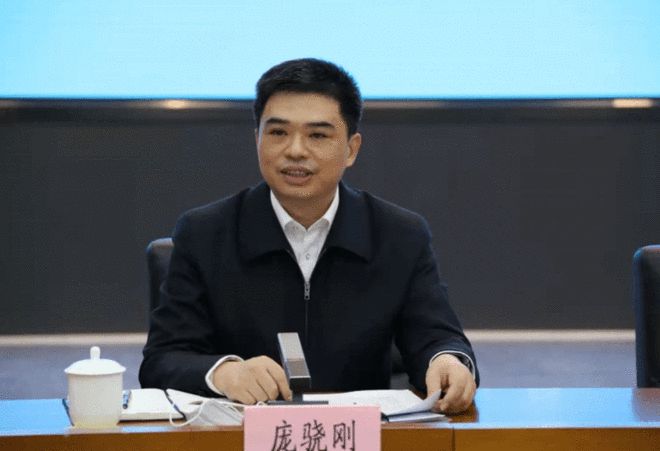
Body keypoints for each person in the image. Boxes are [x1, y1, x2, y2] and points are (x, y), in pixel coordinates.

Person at [140, 58, 478, 413]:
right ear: (257, 140)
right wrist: (224, 373)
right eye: (278, 133)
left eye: (317, 135)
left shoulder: (399, 235)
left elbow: (438, 337)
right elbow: (162, 360)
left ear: (351, 149)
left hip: (360, 434)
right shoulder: (205, 233)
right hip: (244, 434)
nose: (295, 150)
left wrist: (447, 362)